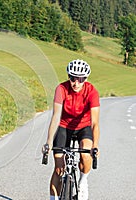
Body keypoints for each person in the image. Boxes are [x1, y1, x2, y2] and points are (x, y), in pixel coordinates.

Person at [42, 59, 100, 200]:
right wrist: (49, 142)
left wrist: (95, 146)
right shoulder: (61, 89)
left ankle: (83, 180)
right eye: (73, 78)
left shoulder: (92, 91)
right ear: (68, 76)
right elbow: (56, 116)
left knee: (86, 155)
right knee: (59, 168)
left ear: (85, 79)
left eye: (80, 79)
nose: (76, 83)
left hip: (83, 127)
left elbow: (94, 123)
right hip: (64, 126)